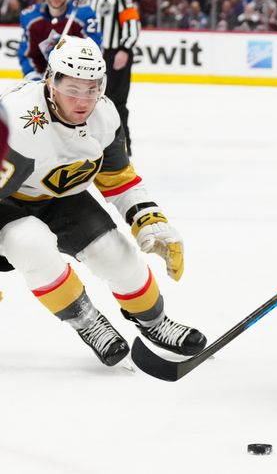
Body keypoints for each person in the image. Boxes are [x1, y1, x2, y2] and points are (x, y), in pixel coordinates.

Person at [0, 35, 206, 367]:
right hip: (5, 204)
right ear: (51, 83)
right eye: (72, 89)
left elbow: (117, 177)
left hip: (60, 198)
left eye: (92, 88)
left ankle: (155, 322)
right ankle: (87, 321)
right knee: (30, 242)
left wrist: (151, 221)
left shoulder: (105, 117)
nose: (83, 101)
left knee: (117, 254)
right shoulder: (19, 123)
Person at [88, 0, 141, 156]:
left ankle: (122, 147)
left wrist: (125, 49)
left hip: (115, 54)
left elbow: (132, 22)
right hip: (94, 56)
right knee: (92, 101)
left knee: (116, 103)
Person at [18, 0, 103, 81]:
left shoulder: (83, 15)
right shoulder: (31, 18)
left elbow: (95, 51)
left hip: (75, 79)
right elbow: (28, 54)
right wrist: (35, 79)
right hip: (41, 78)